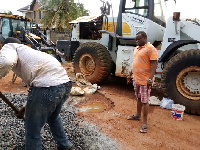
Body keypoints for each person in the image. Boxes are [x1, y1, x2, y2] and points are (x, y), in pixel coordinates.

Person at [0, 37, 73, 150]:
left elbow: (6, 61)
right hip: (65, 84)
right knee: (53, 117)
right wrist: (24, 109)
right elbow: (36, 96)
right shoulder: (30, 53)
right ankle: (65, 145)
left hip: (47, 86)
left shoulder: (10, 46)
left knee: (32, 130)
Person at [127, 31, 158, 133]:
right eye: (136, 39)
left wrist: (150, 79)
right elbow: (135, 63)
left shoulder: (151, 49)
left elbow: (154, 65)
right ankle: (137, 115)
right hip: (136, 79)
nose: (137, 41)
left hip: (145, 81)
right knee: (139, 99)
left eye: (139, 39)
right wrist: (130, 74)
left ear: (145, 37)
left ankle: (144, 123)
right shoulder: (136, 49)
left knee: (145, 101)